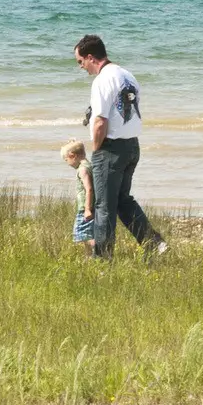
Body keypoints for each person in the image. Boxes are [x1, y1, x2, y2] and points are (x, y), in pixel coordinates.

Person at [74, 34, 165, 258]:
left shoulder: (102, 80)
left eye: (80, 62)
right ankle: (154, 243)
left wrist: (97, 151)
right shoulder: (127, 75)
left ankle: (102, 260)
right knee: (122, 200)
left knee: (104, 205)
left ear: (90, 57)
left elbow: (100, 121)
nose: (81, 68)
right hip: (132, 145)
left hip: (111, 148)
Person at [61, 139, 95, 255]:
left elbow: (89, 189)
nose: (67, 163)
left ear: (72, 156)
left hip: (85, 209)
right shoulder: (89, 165)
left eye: (66, 160)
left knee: (80, 235)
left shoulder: (83, 169)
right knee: (86, 234)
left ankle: (97, 250)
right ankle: (91, 256)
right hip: (90, 207)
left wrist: (87, 209)